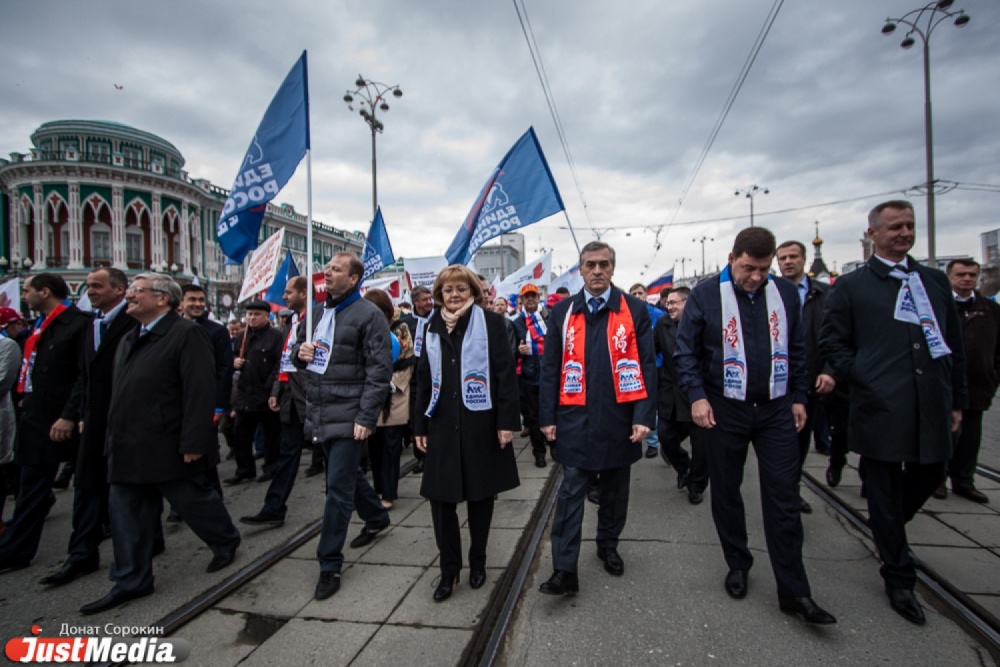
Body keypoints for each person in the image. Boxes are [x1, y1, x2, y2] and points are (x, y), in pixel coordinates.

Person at [675, 227, 836, 625]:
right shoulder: (706, 295)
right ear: (733, 258)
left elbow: (798, 348)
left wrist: (800, 395)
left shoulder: (783, 293)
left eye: (764, 269)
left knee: (783, 498)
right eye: (749, 268)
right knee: (727, 490)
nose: (756, 277)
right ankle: (738, 561)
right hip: (724, 409)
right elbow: (686, 353)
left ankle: (795, 592)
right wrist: (696, 395)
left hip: (776, 408)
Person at [819, 200, 966, 626]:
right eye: (895, 227)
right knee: (881, 487)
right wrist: (862, 374)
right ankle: (898, 576)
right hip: (880, 406)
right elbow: (833, 343)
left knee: (933, 472)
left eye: (909, 225)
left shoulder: (935, 282)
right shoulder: (852, 286)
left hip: (931, 402)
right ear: (873, 235)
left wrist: (956, 399)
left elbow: (950, 344)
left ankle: (889, 529)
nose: (904, 233)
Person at [80, 273, 240, 615]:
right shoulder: (129, 338)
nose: (130, 298)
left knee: (194, 501)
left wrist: (195, 440)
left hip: (167, 443)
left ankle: (224, 540)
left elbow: (199, 389)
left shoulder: (186, 334)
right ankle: (131, 579)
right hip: (127, 446)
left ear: (162, 299)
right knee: (126, 515)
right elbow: (121, 393)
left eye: (137, 292)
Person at [537, 241, 656, 595]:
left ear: (613, 268)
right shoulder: (563, 313)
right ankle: (564, 569)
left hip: (620, 417)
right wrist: (547, 417)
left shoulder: (634, 309)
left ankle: (608, 545)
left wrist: (643, 415)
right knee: (571, 492)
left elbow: (646, 365)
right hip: (574, 418)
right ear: (581, 269)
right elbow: (550, 368)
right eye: (590, 265)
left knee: (616, 490)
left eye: (604, 264)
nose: (597, 270)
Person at [413, 265, 520, 601]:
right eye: (448, 289)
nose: (455, 294)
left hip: (480, 424)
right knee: (441, 502)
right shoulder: (430, 327)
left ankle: (478, 560)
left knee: (480, 497)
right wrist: (419, 425)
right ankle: (449, 570)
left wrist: (506, 422)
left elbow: (504, 374)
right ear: (439, 294)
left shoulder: (491, 323)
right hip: (442, 423)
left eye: (461, 288)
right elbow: (422, 377)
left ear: (473, 291)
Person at [293, 252, 393, 601]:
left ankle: (329, 563)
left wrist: (366, 418)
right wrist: (298, 353)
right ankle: (377, 517)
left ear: (353, 279)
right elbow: (301, 354)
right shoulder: (318, 313)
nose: (327, 273)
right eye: (328, 268)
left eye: (336, 269)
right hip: (320, 411)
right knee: (347, 477)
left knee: (336, 489)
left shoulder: (369, 315)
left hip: (350, 415)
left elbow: (380, 372)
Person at [39, 269, 139, 587]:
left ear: (119, 290)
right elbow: (84, 375)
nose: (90, 290)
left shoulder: (137, 322)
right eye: (89, 286)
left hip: (129, 419)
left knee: (133, 490)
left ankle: (144, 547)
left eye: (97, 285)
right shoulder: (88, 325)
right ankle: (80, 554)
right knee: (86, 487)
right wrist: (70, 414)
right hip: (93, 420)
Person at [0, 274, 90, 574]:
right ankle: (16, 549)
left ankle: (85, 547)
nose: (24, 295)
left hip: (62, 418)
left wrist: (69, 414)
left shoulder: (77, 324)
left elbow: (83, 376)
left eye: (27, 290)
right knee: (30, 486)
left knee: (88, 485)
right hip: (36, 417)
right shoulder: (39, 326)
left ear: (45, 292)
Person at [241, 277, 312, 527]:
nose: (284, 297)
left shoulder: (316, 320)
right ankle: (274, 507)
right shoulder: (292, 321)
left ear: (304, 294)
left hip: (309, 398)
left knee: (333, 456)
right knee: (287, 454)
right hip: (290, 396)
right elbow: (284, 359)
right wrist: (276, 390)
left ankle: (372, 511)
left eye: (288, 292)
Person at [776, 240, 835, 513]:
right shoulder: (769, 291)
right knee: (779, 443)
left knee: (800, 440)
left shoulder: (824, 294)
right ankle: (781, 493)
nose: (788, 262)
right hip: (775, 383)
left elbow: (837, 336)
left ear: (803, 259)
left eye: (793, 257)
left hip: (810, 379)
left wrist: (829, 370)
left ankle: (791, 491)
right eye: (782, 257)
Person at [938, 258, 999, 503]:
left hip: (977, 384)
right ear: (950, 277)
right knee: (943, 434)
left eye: (972, 275)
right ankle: (937, 479)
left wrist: (993, 374)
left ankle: (964, 481)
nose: (967, 279)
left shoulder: (991, 310)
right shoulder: (938, 307)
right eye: (961, 274)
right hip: (945, 383)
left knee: (970, 437)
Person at [653, 287, 707, 504]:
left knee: (701, 446)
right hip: (670, 391)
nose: (670, 307)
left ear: (688, 303)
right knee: (665, 436)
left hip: (697, 393)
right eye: (668, 303)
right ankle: (683, 467)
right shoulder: (662, 324)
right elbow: (651, 349)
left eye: (675, 303)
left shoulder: (702, 323)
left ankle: (696, 485)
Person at [365, 288, 415, 510]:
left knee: (391, 447)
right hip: (372, 397)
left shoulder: (400, 328)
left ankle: (389, 492)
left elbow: (407, 363)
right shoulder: (365, 328)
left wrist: (387, 384)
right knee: (374, 447)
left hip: (394, 396)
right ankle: (377, 488)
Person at [225, 300, 284, 484]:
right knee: (240, 434)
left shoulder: (275, 336)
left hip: (264, 394)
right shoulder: (241, 337)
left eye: (256, 314)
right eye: (249, 314)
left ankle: (272, 467)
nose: (252, 318)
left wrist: (272, 389)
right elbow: (231, 357)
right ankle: (244, 469)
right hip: (244, 394)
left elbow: (279, 364)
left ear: (266, 316)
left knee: (270, 436)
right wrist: (234, 360)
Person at [512, 283, 551, 468]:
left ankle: (555, 444)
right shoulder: (517, 323)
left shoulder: (549, 317)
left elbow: (557, 342)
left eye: (533, 296)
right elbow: (512, 350)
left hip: (550, 373)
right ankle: (539, 452)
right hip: (529, 375)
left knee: (551, 412)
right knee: (533, 417)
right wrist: (519, 351)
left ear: (538, 298)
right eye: (526, 296)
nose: (530, 299)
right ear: (522, 300)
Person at [400, 284, 435, 475]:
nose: (429, 302)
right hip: (413, 377)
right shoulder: (406, 322)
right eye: (425, 299)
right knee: (417, 416)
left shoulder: (438, 318)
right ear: (415, 302)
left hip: (434, 375)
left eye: (430, 299)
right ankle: (421, 456)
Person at [629, 283, 664, 458]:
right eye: (633, 293)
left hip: (657, 367)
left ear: (646, 295)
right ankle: (649, 439)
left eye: (640, 293)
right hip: (633, 369)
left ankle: (654, 442)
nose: (637, 296)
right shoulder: (627, 315)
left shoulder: (658, 315)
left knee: (656, 406)